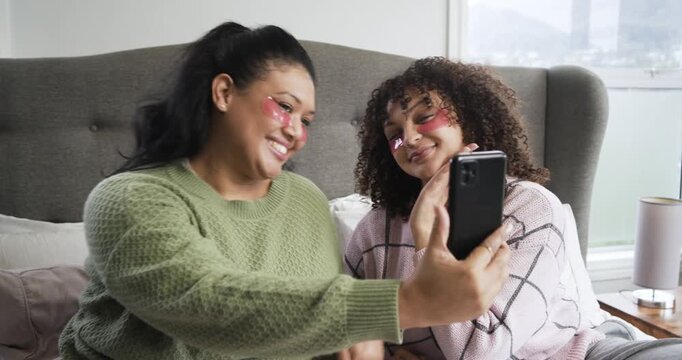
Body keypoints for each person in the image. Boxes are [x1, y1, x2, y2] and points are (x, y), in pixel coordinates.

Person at [57, 23, 511, 359]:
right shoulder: (127, 199)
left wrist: (360, 342)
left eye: (307, 121)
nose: (295, 131)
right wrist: (405, 302)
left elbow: (320, 311)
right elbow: (212, 304)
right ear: (223, 92)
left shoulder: (305, 199)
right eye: (285, 107)